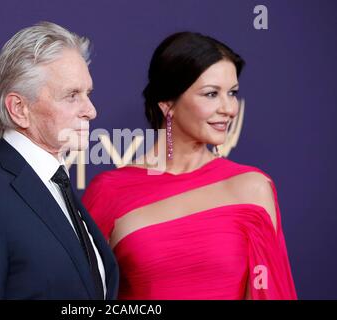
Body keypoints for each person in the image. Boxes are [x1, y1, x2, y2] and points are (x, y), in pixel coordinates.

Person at [82, 31, 297, 299]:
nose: (229, 108)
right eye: (211, 94)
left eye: (232, 93)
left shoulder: (252, 187)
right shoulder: (109, 191)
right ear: (167, 104)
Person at [0, 21, 118, 299]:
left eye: (87, 94)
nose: (91, 110)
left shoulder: (57, 185)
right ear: (19, 109)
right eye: (72, 95)